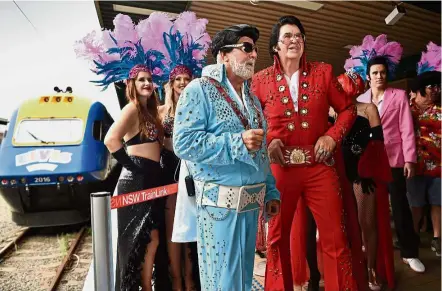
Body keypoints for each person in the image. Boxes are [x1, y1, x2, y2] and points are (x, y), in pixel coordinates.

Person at [75, 12, 210, 290]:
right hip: (136, 182)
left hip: (160, 182)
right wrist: (133, 165)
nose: (147, 83)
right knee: (143, 244)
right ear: (132, 85)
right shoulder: (133, 109)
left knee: (157, 241)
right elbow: (111, 140)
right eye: (141, 80)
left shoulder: (153, 113)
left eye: (149, 79)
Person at [251, 15, 357, 291]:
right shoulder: (259, 80)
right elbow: (249, 123)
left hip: (320, 166)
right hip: (279, 172)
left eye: (298, 35)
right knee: (276, 240)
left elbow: (348, 109)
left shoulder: (323, 71)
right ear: (275, 45)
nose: (294, 40)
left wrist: (332, 137)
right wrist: (268, 141)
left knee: (336, 238)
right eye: (287, 36)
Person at [172, 24, 280, 291]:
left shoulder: (253, 100)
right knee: (222, 281)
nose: (254, 55)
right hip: (218, 208)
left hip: (250, 205)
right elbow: (183, 143)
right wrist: (236, 142)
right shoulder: (199, 90)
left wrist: (271, 191)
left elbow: (262, 149)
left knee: (243, 279)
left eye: (254, 49)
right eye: (246, 48)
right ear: (223, 55)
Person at [351, 34, 425, 273]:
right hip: (368, 162)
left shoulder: (399, 96)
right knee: (368, 209)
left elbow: (406, 128)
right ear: (368, 75)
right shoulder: (360, 99)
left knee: (400, 206)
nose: (379, 76)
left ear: (387, 74)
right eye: (375, 73)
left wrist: (410, 159)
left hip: (394, 159)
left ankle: (409, 253)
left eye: (382, 72)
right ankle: (369, 248)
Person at [157, 13, 211, 291]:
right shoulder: (160, 112)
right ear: (170, 83)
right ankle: (176, 283)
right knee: (173, 233)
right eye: (177, 79)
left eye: (186, 78)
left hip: (194, 174)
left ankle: (194, 283)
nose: (181, 82)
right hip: (169, 174)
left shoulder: (200, 109)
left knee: (195, 233)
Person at [339, 70, 395, 290]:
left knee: (367, 223)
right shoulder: (331, 111)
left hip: (363, 176)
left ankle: (371, 268)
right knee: (342, 226)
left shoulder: (368, 109)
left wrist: (366, 171)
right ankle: (351, 268)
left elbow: (378, 146)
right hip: (338, 175)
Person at [407, 46, 441, 256]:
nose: (437, 89)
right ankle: (412, 236)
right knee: (416, 204)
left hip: (439, 164)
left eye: (439, 86)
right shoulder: (406, 108)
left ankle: (437, 238)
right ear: (421, 88)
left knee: (438, 202)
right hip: (414, 165)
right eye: (433, 86)